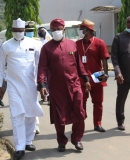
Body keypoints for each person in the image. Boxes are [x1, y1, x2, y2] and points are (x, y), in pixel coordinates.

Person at [37, 18, 91, 152]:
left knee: (79, 112)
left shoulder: (72, 45)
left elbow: (79, 64)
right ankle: (61, 141)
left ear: (64, 30)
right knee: (59, 117)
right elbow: (42, 68)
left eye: (59, 29)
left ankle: (77, 138)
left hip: (75, 85)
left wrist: (86, 79)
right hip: (57, 88)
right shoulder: (46, 48)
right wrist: (42, 84)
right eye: (54, 30)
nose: (56, 32)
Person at [0, 18, 44, 159]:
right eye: (16, 30)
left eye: (20, 30)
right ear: (12, 30)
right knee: (16, 115)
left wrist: (41, 84)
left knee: (31, 114)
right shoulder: (6, 46)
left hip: (31, 85)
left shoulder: (34, 44)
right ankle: (19, 146)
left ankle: (28, 141)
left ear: (25, 30)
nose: (18, 33)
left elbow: (40, 65)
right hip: (13, 85)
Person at [76, 19, 110, 132]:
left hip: (97, 75)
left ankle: (97, 124)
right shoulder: (77, 44)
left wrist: (105, 73)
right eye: (81, 28)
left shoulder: (99, 43)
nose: (81, 30)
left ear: (89, 30)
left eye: (83, 28)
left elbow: (104, 59)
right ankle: (81, 122)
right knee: (81, 102)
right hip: (82, 77)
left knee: (98, 102)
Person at [24, 21, 43, 135]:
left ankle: (35, 125)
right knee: (24, 102)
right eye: (28, 31)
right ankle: (27, 124)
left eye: (32, 31)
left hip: (35, 77)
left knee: (33, 101)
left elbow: (41, 62)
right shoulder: (21, 43)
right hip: (23, 77)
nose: (30, 33)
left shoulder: (37, 43)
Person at [37, 26, 52, 102]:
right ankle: (44, 95)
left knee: (49, 80)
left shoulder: (49, 40)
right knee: (42, 80)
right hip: (40, 63)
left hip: (49, 64)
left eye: (42, 31)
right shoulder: (36, 41)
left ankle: (49, 95)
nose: (41, 32)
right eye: (40, 31)